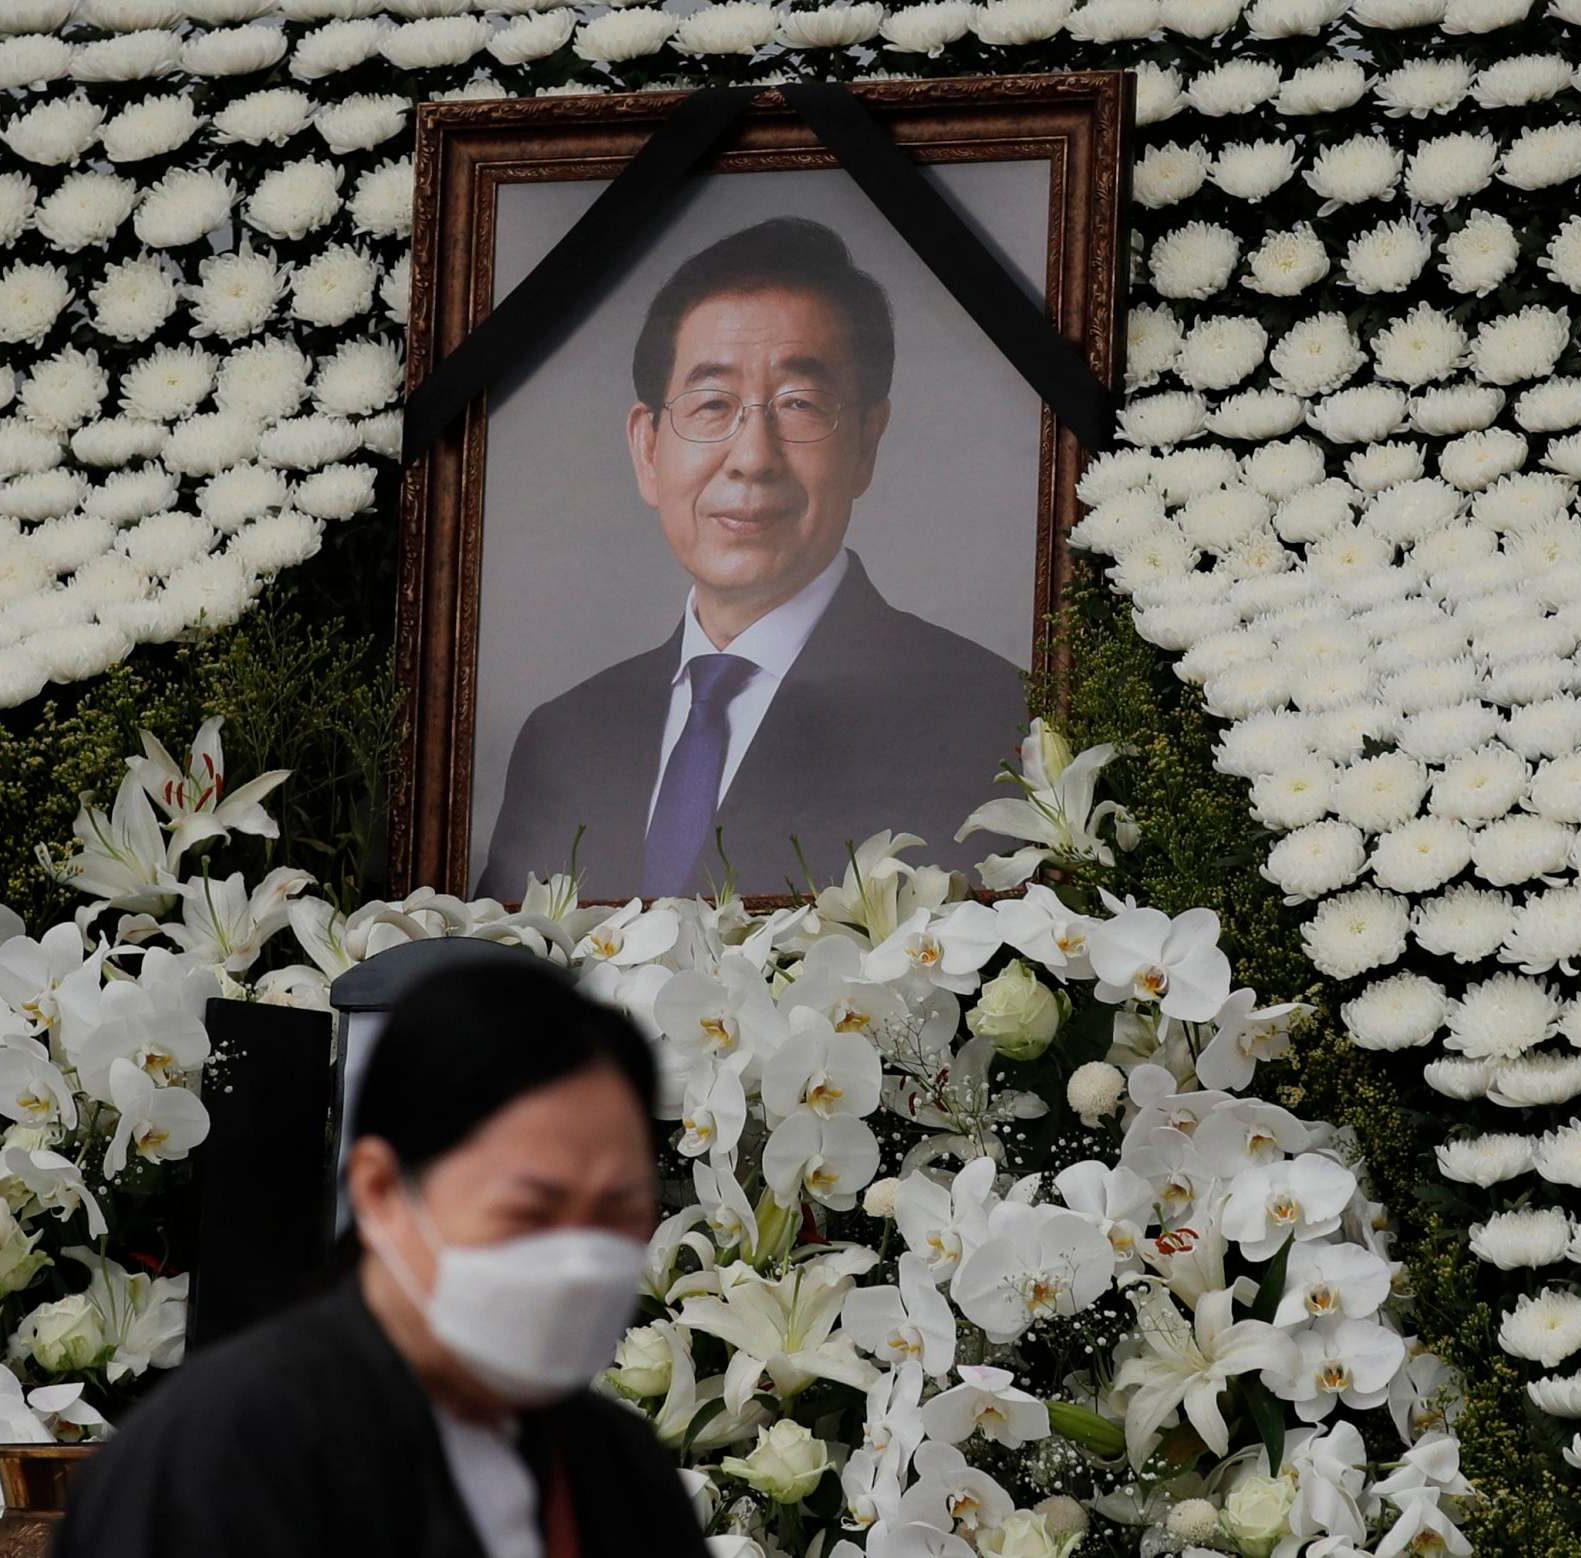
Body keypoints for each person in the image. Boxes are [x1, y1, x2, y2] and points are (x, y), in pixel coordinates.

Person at [51, 959, 706, 1558]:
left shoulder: (617, 1466)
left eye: (617, 1214)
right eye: (529, 1212)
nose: (578, 1259)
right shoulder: (219, 1454)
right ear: (382, 1190)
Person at [476, 215, 1027, 904]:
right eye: (712, 405)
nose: (752, 458)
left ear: (865, 443)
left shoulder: (989, 722)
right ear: (647, 449)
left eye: (799, 405)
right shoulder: (565, 739)